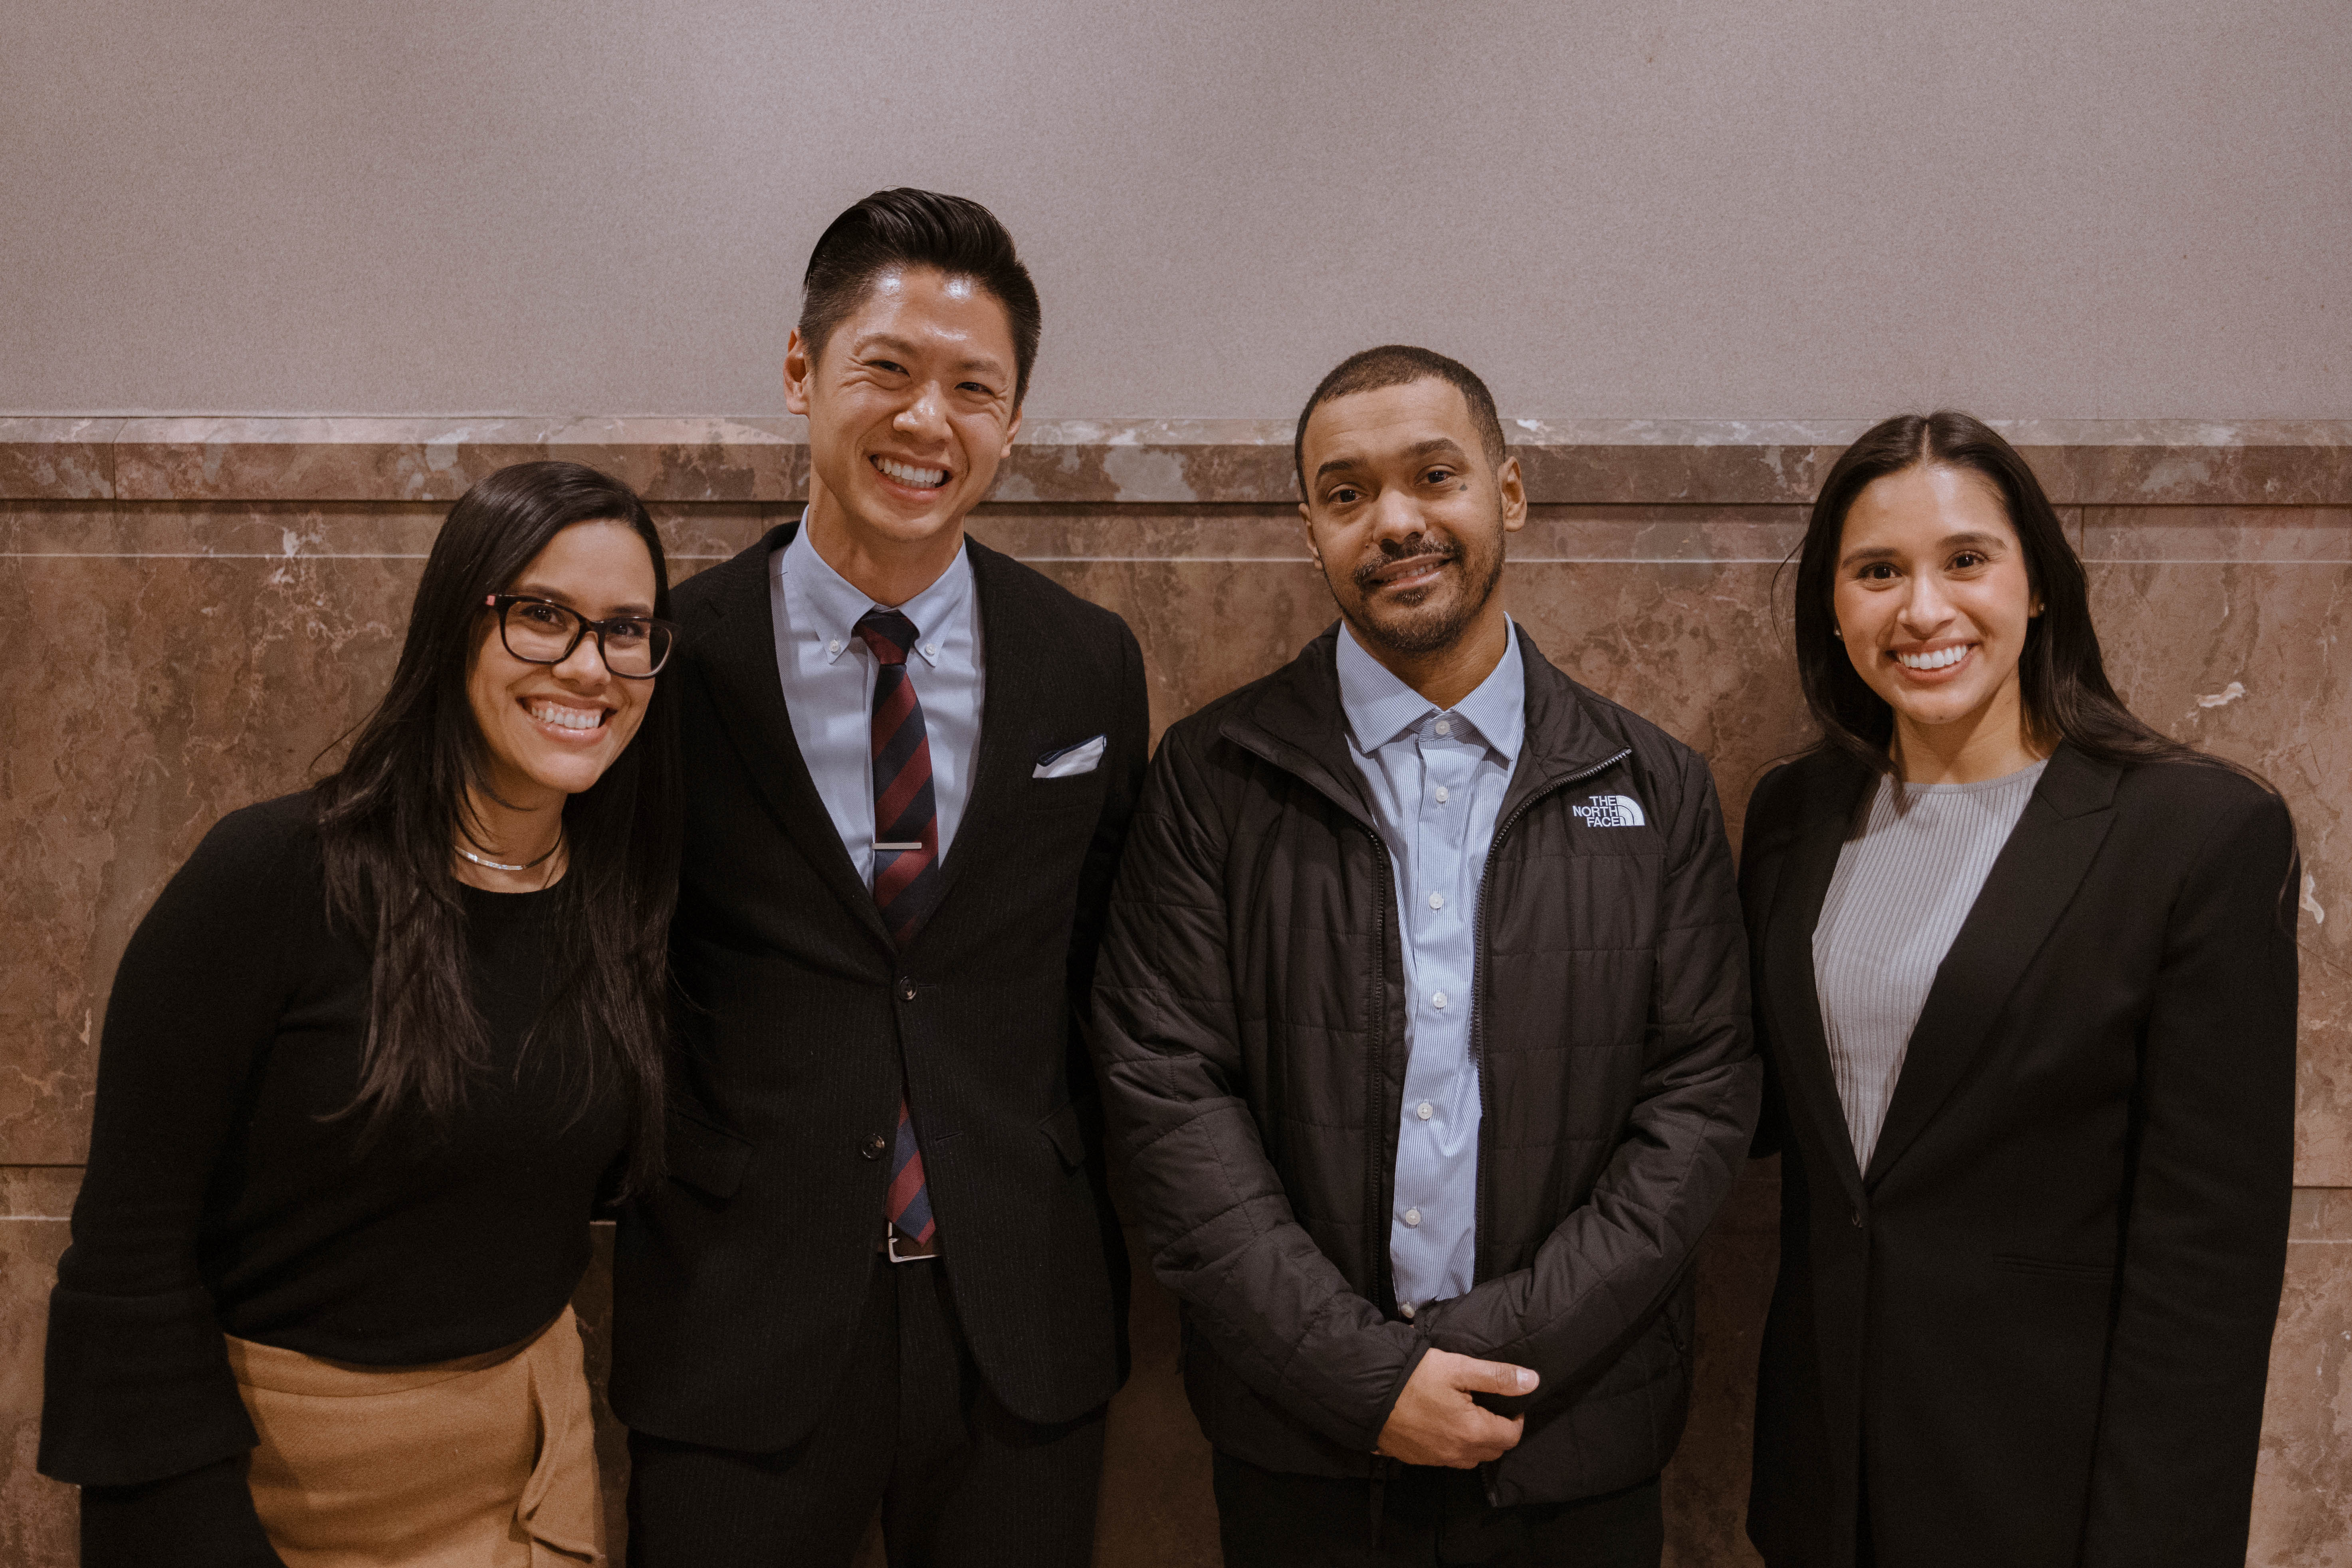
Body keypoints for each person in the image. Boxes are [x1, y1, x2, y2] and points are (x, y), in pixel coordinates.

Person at [1090, 345, 1760, 1568]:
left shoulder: (1649, 784)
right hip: (1302, 1446)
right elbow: (1165, 1093)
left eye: (1433, 476)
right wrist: (1362, 1376)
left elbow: (1700, 1103)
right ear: (1310, 531)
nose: (1394, 521)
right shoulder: (1212, 775)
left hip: (1570, 1433)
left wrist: (1489, 1352)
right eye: (1346, 494)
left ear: (1506, 493)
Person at [610, 188, 1149, 1568]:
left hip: (1016, 1326)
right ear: (801, 373)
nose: (929, 422)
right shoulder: (674, 659)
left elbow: (1099, 959)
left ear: (1014, 420)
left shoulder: (1086, 664)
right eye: (888, 371)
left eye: (975, 388)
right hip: (740, 1320)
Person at [38, 460, 683, 1567]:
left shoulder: (623, 903)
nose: (589, 665)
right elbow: (129, 1254)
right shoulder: (276, 876)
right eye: (542, 617)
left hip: (530, 1485)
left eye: (628, 631)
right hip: (280, 1497)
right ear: (455, 623)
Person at [1739, 410, 2300, 1568]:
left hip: (2050, 1501)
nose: (1923, 611)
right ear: (1832, 606)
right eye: (1876, 571)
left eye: (1964, 561)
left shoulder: (2194, 834)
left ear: (2037, 582)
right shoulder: (1791, 818)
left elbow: (2207, 1264)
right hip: (1822, 1490)